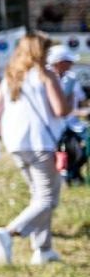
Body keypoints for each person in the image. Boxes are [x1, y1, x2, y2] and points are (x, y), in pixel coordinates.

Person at [0, 34, 72, 264]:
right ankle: (9, 232)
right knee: (47, 200)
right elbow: (60, 110)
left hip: (16, 144)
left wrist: (6, 137)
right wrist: (70, 99)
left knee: (38, 196)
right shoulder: (46, 76)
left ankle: (43, 250)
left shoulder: (11, 78)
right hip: (42, 143)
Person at [49, 44, 87, 185]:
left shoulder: (71, 79)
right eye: (69, 61)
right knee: (74, 151)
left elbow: (81, 101)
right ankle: (69, 176)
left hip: (72, 123)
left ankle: (73, 175)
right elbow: (58, 109)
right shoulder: (47, 79)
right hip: (55, 126)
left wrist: (82, 110)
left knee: (81, 151)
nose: (72, 64)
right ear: (60, 62)